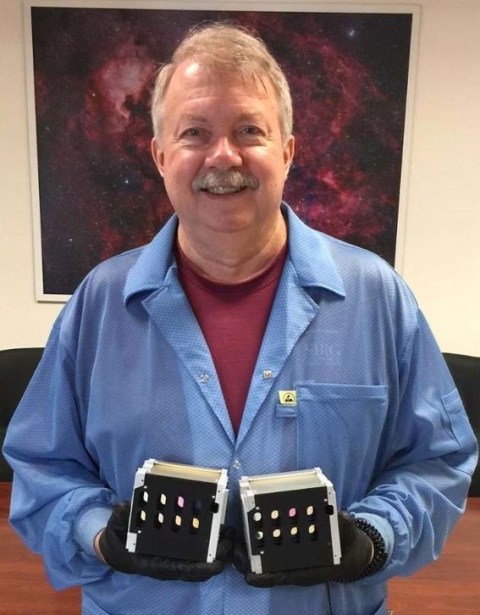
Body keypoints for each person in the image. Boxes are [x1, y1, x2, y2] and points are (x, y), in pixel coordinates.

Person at [3, 23, 477, 615]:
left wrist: (373, 539)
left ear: (288, 150)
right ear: (160, 156)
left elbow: (437, 460)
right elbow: (42, 466)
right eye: (194, 132)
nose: (223, 156)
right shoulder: (99, 306)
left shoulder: (377, 299)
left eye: (249, 130)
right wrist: (102, 532)